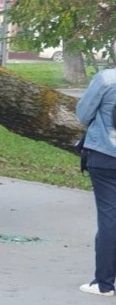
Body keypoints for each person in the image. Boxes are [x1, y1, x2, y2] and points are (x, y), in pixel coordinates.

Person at [77, 62, 116, 297]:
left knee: (109, 217)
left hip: (105, 155)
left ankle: (104, 283)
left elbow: (83, 114)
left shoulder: (106, 79)